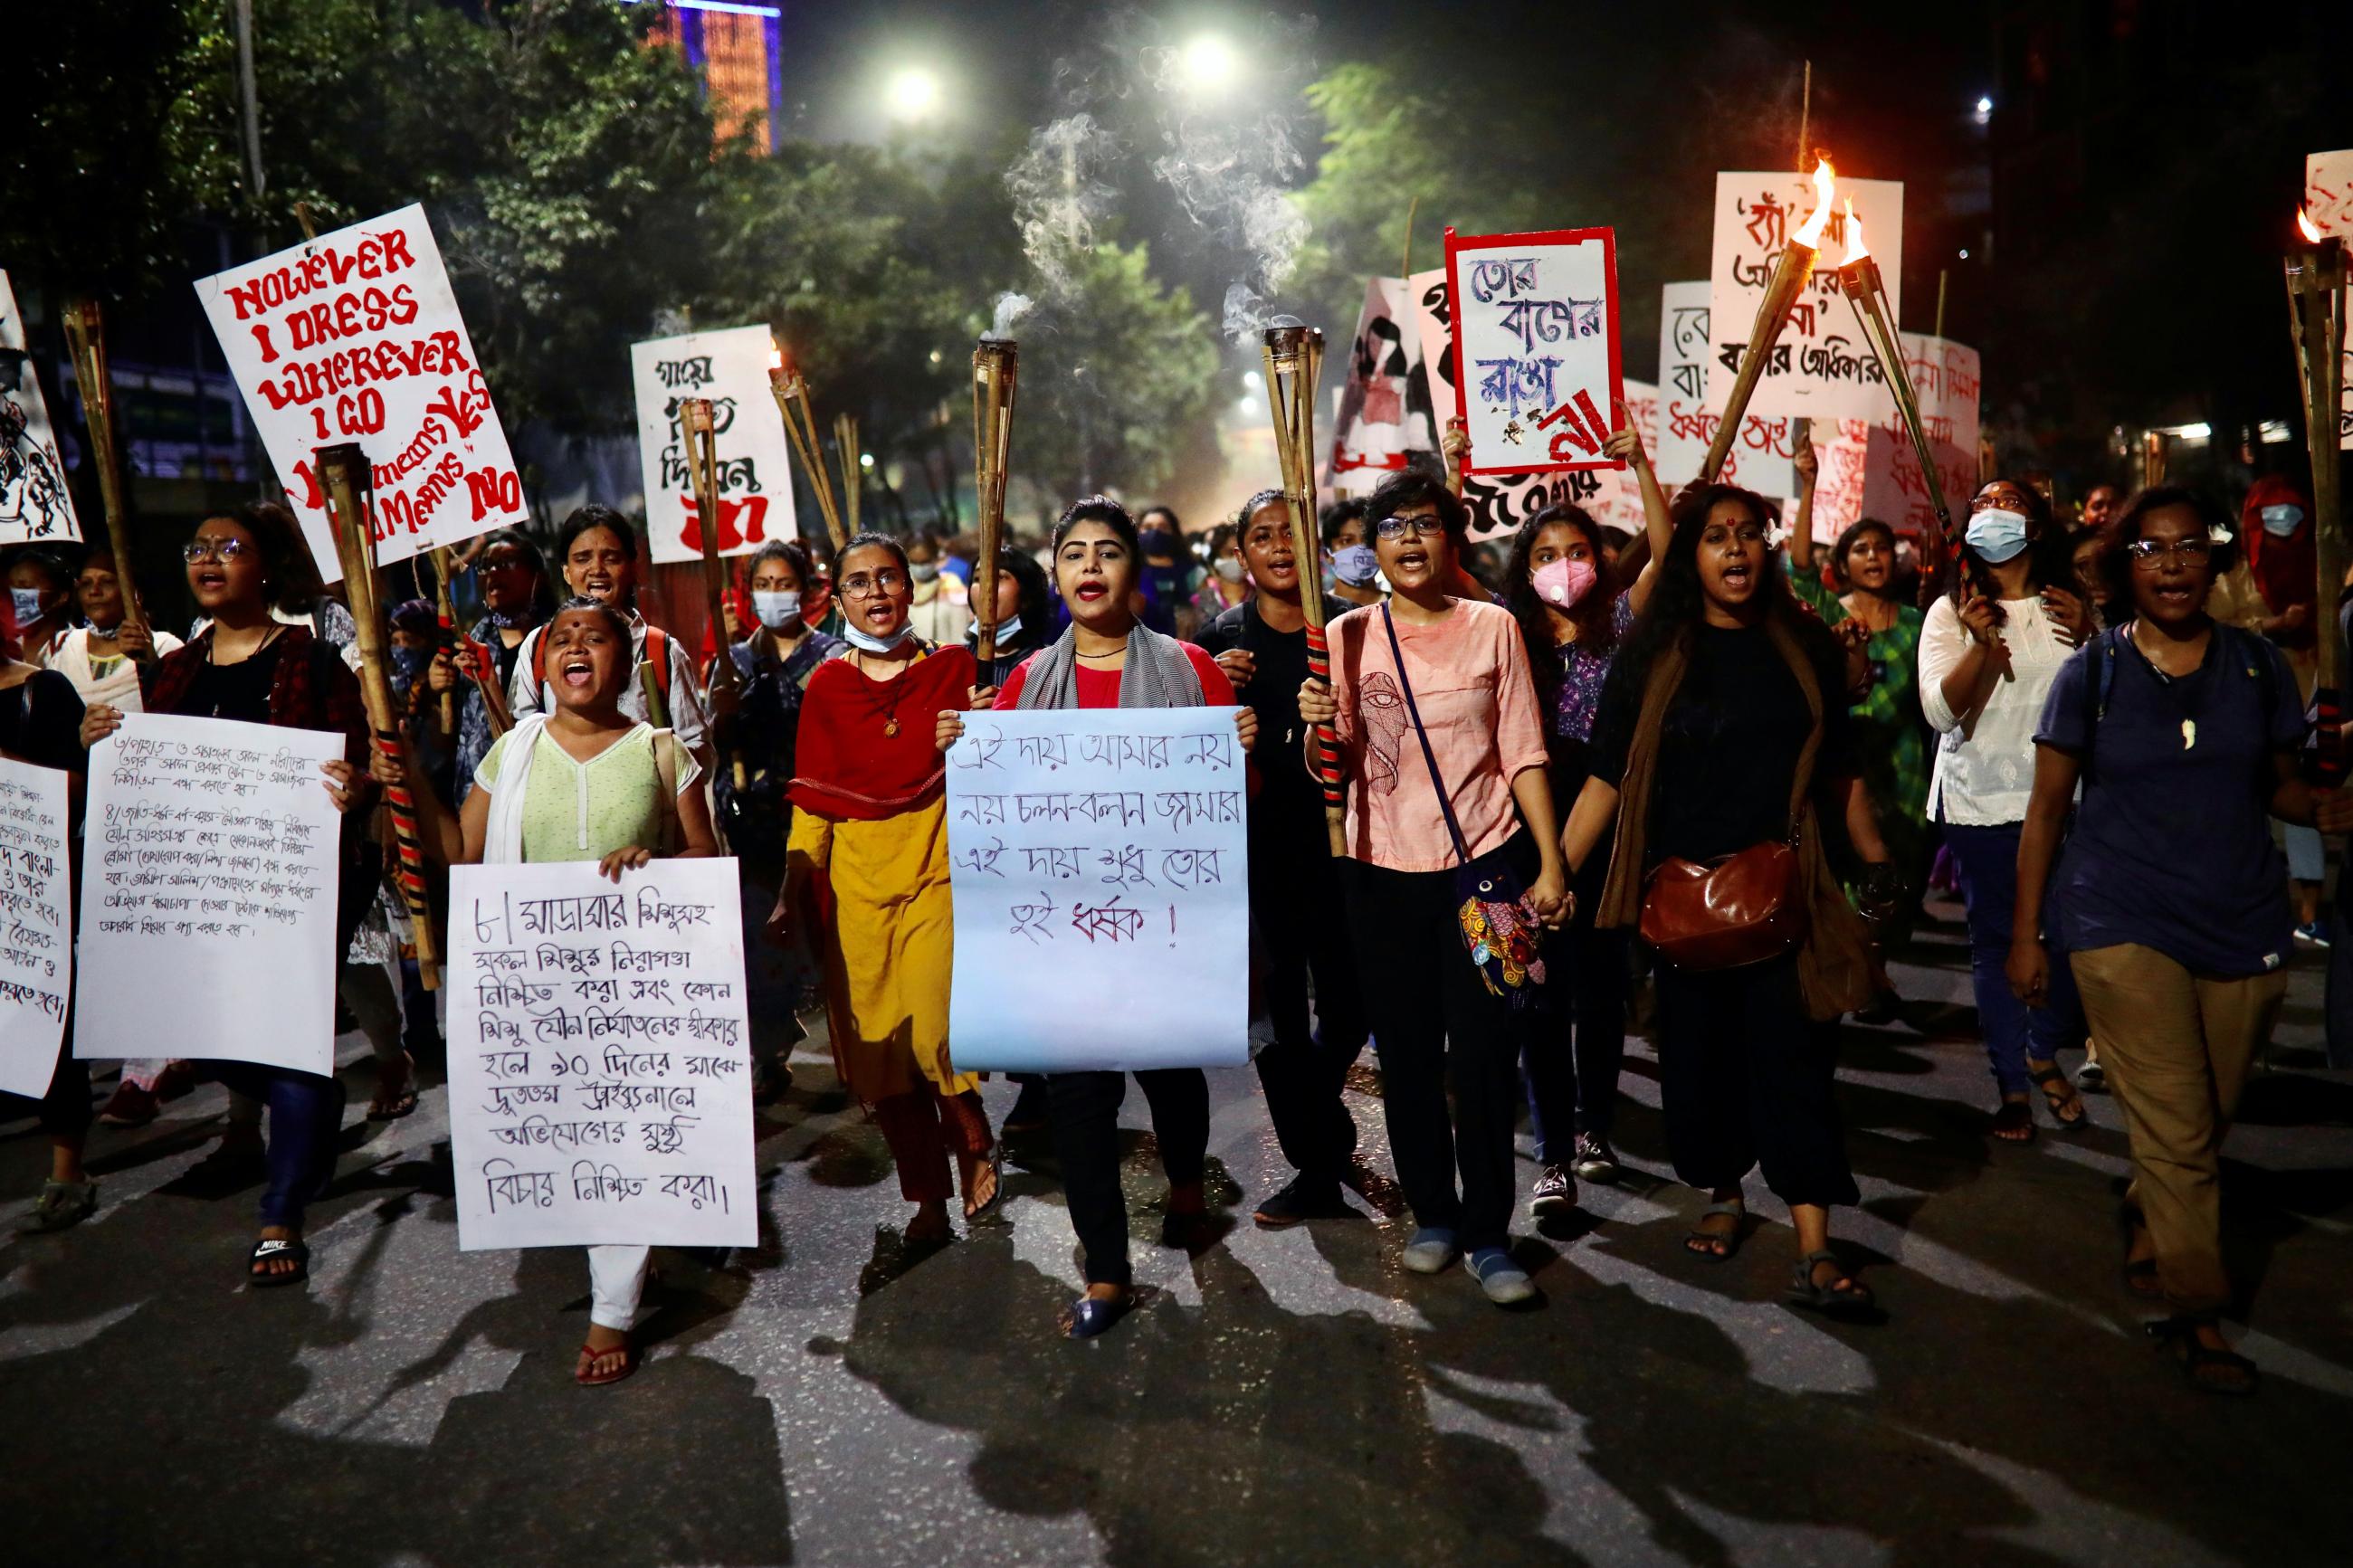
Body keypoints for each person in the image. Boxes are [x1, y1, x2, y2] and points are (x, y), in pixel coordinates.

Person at [2009, 486, 2348, 1395]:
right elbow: (2044, 811)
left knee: (2201, 1115)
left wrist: (2318, 804)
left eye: (2188, 547)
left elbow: (2277, 786)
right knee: (2173, 1120)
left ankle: (2146, 1205)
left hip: (2241, 917)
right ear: (2124, 567)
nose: (2169, 564)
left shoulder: (2253, 667)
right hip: (2117, 917)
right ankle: (2196, 1311)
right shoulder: (2095, 672)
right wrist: (2025, 935)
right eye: (2150, 549)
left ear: (2213, 560)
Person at [1560, 482, 1894, 1316]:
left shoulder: (1804, 645)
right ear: (1691, 556)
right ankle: (1724, 1188)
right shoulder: (1653, 652)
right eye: (1715, 537)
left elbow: (1840, 763)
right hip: (1677, 903)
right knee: (1699, 1068)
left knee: (1797, 1066)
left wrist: (1876, 858)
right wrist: (1555, 872)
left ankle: (1815, 1245)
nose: (1736, 551)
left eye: (1749, 534)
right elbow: (1608, 772)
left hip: (1789, 893)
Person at [939, 497, 1256, 1337]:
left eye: (1107, 552)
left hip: (1163, 925)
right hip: (1065, 934)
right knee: (1079, 1100)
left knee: (1171, 1073)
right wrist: (965, 750)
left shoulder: (1194, 672)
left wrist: (1240, 755)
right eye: (1073, 553)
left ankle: (1186, 1188)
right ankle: (1107, 1269)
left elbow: (1237, 809)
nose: (1089, 567)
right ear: (1056, 573)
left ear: (1134, 572)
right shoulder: (1023, 683)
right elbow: (994, 814)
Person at [399, 595, 719, 1383]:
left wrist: (657, 861)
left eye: (597, 636)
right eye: (562, 637)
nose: (577, 645)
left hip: (633, 985)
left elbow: (706, 861)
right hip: (536, 992)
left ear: (624, 660)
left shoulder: (661, 750)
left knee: (623, 1138)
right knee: (566, 1139)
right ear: (543, 667)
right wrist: (406, 769)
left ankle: (613, 1309)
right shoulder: (509, 754)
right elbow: (462, 857)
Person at [79, 504, 377, 1286]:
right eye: (198, 548)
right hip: (204, 895)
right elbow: (150, 776)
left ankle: (281, 1212)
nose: (209, 560)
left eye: (230, 548)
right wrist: (103, 743)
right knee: (207, 1036)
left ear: (267, 567)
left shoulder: (312, 662)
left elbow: (366, 762)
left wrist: (358, 785)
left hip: (294, 892)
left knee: (288, 1035)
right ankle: (310, 1101)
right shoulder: (175, 671)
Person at [1296, 470, 1568, 1307]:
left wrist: (1550, 862)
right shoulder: (1342, 637)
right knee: (1408, 1057)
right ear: (1369, 547)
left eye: (1424, 524)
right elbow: (1326, 773)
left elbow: (1522, 749)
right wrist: (1312, 724)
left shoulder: (1494, 628)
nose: (1408, 539)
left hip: (1481, 865)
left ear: (1451, 539)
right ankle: (1434, 1216)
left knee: (1483, 1055)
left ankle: (1490, 1231)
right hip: (1380, 872)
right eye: (1390, 525)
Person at [777, 533, 1002, 1255]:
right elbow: (812, 803)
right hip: (855, 891)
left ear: (911, 588)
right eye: (859, 583)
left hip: (939, 870)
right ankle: (927, 1199)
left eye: (888, 579)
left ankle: (970, 1132)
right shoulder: (827, 688)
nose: (875, 593)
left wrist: (984, 726)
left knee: (938, 1032)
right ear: (837, 599)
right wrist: (791, 887)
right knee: (887, 1061)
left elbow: (1001, 768)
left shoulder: (958, 670)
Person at [1500, 411, 1672, 1209]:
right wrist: (1462, 471)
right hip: (1525, 819)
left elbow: (1668, 558)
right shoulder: (1503, 632)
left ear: (1599, 559)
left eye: (1575, 551)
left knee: (1599, 987)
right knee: (1537, 988)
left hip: (1607, 820)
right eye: (1544, 554)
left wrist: (1642, 470)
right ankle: (1553, 1146)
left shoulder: (1621, 624)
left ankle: (1595, 1127)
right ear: (1522, 566)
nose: (1562, 565)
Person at [1198, 489, 1371, 1226]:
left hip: (1346, 853)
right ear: (1241, 552)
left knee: (1352, 1004)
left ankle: (1318, 1114)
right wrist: (1211, 695)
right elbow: (1187, 760)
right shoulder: (1217, 639)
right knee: (1279, 1023)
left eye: (1290, 535)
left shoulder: (1349, 627)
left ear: (1316, 549)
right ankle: (1316, 1166)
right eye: (1261, 536)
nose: (1277, 547)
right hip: (1259, 857)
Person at [1919, 479, 2097, 1144]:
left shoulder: (2067, 609)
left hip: (2068, 803)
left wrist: (2090, 640)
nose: (1993, 515)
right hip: (1984, 807)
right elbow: (1940, 711)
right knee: (1998, 946)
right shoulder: (1949, 612)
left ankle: (2042, 1047)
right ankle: (2014, 1087)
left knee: (2074, 941)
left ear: (2040, 528)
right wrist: (1981, 649)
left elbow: (2105, 700)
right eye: (1983, 505)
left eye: (2010, 505)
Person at [1785, 433, 1931, 972]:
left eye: (1882, 548)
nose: (1874, 557)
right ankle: (1860, 969)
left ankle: (1878, 963)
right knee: (1853, 874)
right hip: (1848, 767)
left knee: (1898, 877)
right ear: (1843, 564)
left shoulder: (1920, 623)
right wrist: (1809, 484)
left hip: (1904, 768)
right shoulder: (1830, 612)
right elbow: (1799, 568)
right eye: (1861, 549)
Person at [712, 539, 843, 1098]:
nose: (773, 595)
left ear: (807, 590)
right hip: (757, 826)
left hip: (819, 816)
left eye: (782, 583)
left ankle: (855, 1055)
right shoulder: (733, 660)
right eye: (761, 586)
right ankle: (769, 1052)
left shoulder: (833, 657)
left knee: (830, 940)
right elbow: (714, 745)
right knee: (763, 939)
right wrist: (723, 711)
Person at [2, 609, 95, 1231]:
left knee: (45, 1021)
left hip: (33, 886)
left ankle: (68, 1168)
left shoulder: (42, 689)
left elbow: (79, 783)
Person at [2208, 476, 2324, 945]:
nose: (2282, 522)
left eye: (2291, 511)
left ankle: (2311, 908)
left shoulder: (2324, 560)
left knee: (2303, 802)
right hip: (2252, 701)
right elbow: (2221, 625)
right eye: (2270, 512)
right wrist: (2273, 625)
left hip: (2313, 697)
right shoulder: (2236, 571)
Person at [509, 506, 711, 771]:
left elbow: (697, 749)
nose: (597, 569)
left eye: (611, 558)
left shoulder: (661, 651)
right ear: (566, 571)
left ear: (631, 568)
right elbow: (520, 739)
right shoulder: (540, 646)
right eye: (582, 559)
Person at [428, 529, 552, 807]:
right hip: (478, 803)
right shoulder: (467, 648)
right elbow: (447, 743)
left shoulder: (556, 644)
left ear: (537, 577)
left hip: (539, 796)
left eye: (506, 563)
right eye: (485, 566)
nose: (493, 573)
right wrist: (437, 693)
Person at [48, 548, 184, 712]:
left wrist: (150, 661)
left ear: (136, 595)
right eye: (86, 583)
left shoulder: (166, 647)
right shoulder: (67, 645)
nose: (94, 591)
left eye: (107, 582)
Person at [964, 546, 1052, 691]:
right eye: (978, 579)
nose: (986, 587)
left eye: (999, 577)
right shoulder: (956, 662)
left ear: (1027, 595)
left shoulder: (1048, 666)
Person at [6, 546, 77, 666]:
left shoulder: (75, 647)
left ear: (60, 597)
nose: (14, 595)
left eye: (25, 587)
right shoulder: (7, 647)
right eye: (11, 587)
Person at [903, 533, 971, 647]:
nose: (920, 568)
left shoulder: (951, 586)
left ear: (935, 558)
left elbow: (960, 636)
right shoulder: (901, 589)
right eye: (914, 562)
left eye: (925, 562)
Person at [1322, 498, 1386, 609]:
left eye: (1367, 539)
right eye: (1347, 541)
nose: (1360, 548)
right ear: (1327, 555)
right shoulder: (1319, 612)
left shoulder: (1399, 609)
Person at [1192, 521, 1252, 624]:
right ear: (1215, 561)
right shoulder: (1200, 603)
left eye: (1243, 552)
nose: (1239, 558)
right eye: (1230, 553)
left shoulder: (1263, 596)